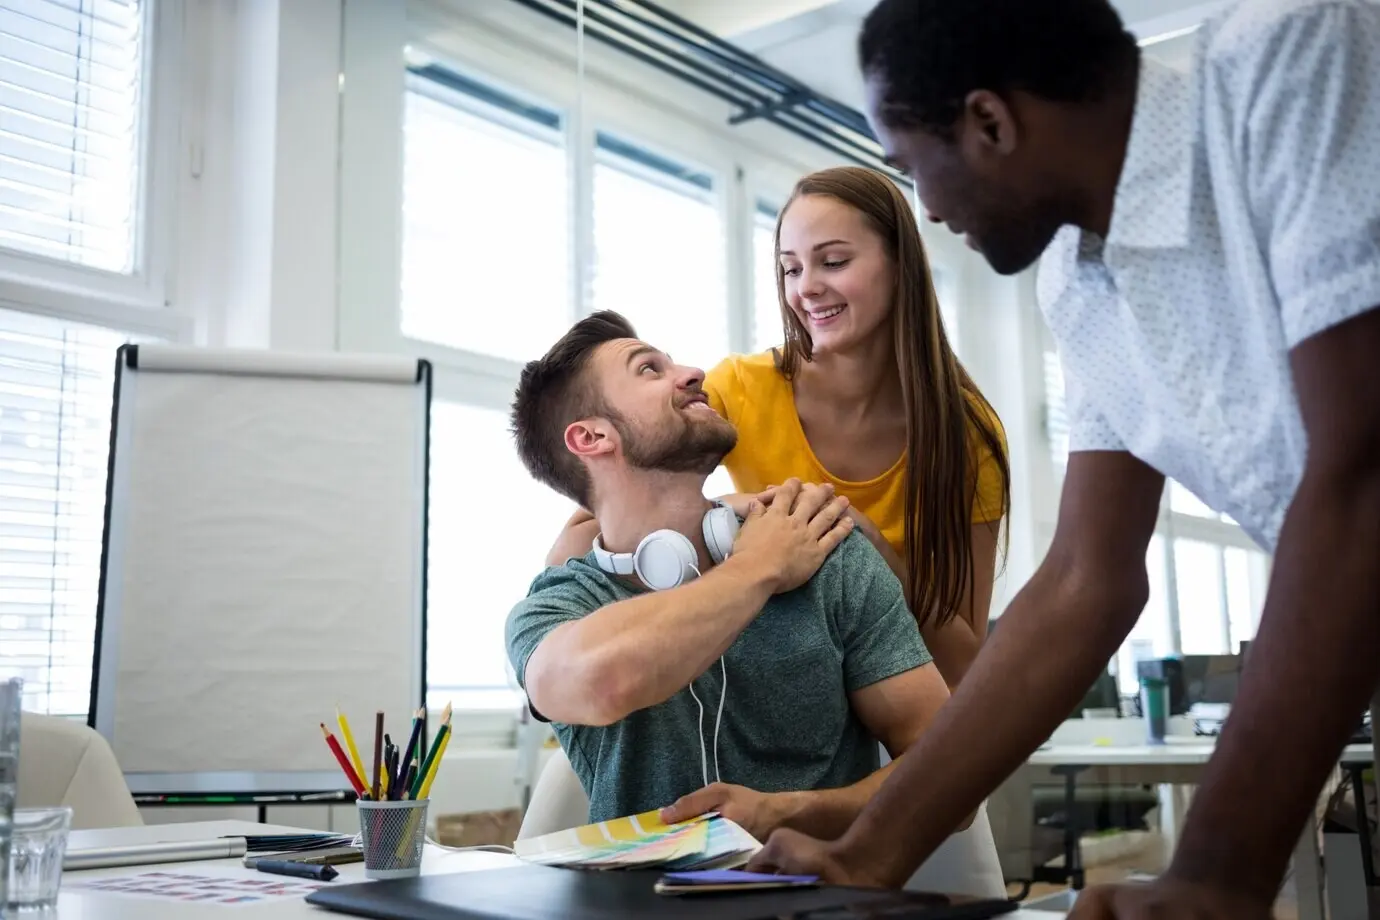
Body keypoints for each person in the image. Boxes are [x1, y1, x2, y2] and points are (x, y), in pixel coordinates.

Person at [749, 1, 1380, 918]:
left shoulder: (1291, 52)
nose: (931, 208)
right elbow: (1087, 578)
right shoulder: (1077, 283)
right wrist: (870, 851)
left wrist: (1216, 872)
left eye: (917, 166)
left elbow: (1363, 471)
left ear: (991, 123)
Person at [547, 166, 1012, 692]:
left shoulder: (966, 435)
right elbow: (579, 542)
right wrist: (740, 512)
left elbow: (963, 665)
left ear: (900, 265)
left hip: (893, 699)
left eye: (833, 262)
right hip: (777, 691)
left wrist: (873, 551)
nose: (806, 288)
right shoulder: (738, 389)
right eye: (791, 269)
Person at [504, 311, 957, 841]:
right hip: (638, 892)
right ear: (591, 437)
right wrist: (759, 567)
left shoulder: (824, 551)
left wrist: (784, 813)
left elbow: (949, 775)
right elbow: (602, 682)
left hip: (818, 887)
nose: (694, 373)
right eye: (649, 369)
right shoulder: (559, 605)